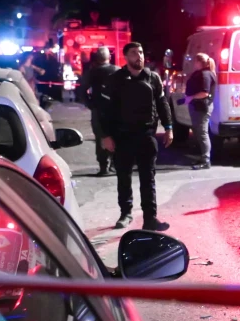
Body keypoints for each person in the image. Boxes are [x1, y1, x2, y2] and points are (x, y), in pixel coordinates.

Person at [100, 42, 173, 232]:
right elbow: (105, 111)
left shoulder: (153, 78)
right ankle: (125, 214)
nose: (138, 56)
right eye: (134, 53)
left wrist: (168, 127)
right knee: (123, 178)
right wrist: (106, 135)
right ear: (126, 57)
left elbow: (162, 103)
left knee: (148, 178)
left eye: (140, 52)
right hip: (122, 136)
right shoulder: (115, 79)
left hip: (146, 135)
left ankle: (150, 218)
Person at [80, 47, 120, 176]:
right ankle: (115, 164)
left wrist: (89, 104)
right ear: (109, 57)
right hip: (115, 110)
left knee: (101, 137)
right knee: (117, 135)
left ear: (97, 58)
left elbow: (81, 90)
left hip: (98, 109)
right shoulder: (117, 71)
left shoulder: (92, 72)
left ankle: (104, 166)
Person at [178, 53, 217, 170]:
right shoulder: (202, 73)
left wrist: (190, 98)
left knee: (202, 133)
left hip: (202, 107)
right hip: (198, 106)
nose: (194, 64)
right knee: (199, 132)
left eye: (195, 61)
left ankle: (206, 160)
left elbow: (204, 92)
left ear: (200, 62)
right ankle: (203, 157)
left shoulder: (205, 74)